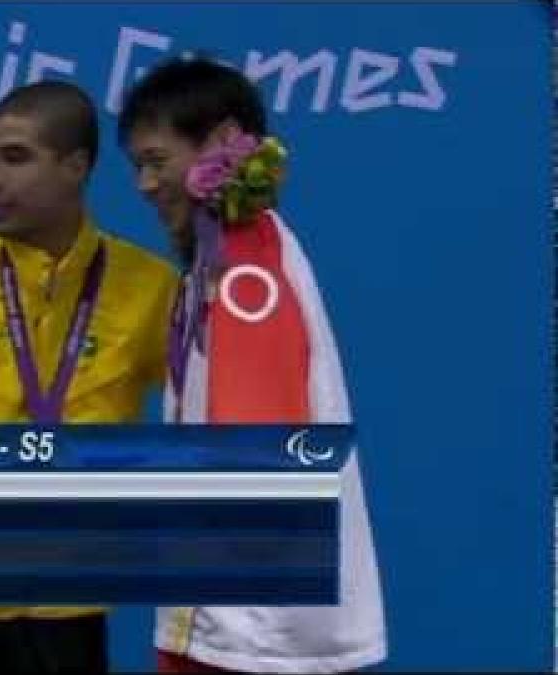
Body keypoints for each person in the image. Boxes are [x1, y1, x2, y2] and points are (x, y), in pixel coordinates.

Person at [0, 80, 180, 673]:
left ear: (76, 166)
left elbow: (194, 426)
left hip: (65, 601)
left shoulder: (153, 289)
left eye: (16, 157)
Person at [117, 56, 386, 673]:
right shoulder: (226, 257)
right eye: (137, 166)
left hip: (253, 638)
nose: (143, 185)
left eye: (156, 162)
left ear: (221, 144)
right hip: (231, 620)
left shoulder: (247, 272)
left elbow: (261, 459)